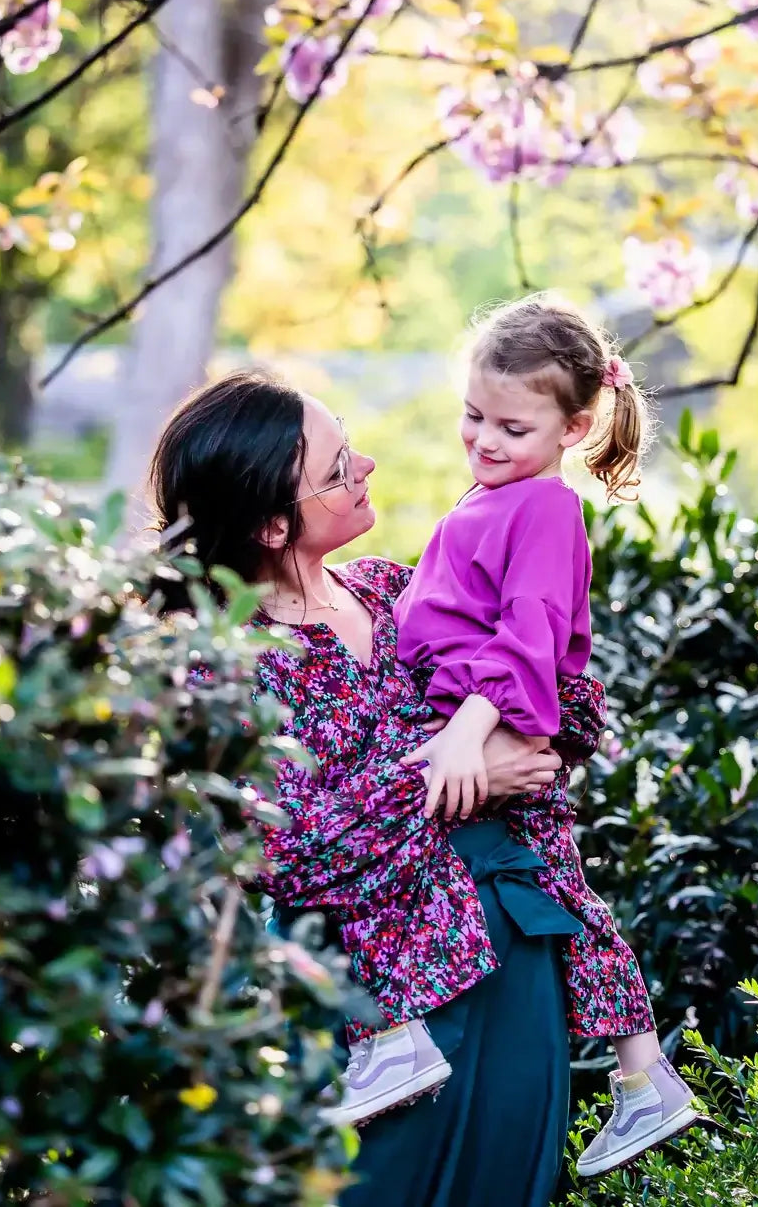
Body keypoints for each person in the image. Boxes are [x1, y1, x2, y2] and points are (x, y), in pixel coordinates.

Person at [147, 367, 652, 1206]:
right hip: (378, 1000)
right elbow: (293, 848)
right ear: (274, 523)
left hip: (517, 950)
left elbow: (564, 717)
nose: (369, 466)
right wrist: (458, 776)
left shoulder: (395, 589)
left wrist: (521, 718)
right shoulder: (221, 661)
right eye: (340, 468)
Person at [318, 295, 696, 1178]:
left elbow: (531, 634)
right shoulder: (499, 493)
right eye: (473, 415)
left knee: (379, 845)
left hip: (476, 711)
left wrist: (465, 734)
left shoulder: (546, 510)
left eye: (511, 426)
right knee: (553, 887)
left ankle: (398, 1031)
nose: (484, 439)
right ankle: (640, 1077)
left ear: (573, 426)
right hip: (461, 706)